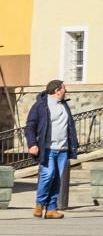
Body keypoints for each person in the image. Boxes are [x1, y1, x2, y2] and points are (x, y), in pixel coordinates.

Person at [23, 79, 75, 220]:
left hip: (63, 149)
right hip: (47, 148)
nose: (66, 90)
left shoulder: (64, 105)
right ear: (57, 90)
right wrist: (32, 144)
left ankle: (52, 209)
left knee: (57, 179)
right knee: (48, 175)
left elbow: (68, 126)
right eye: (64, 88)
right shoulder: (40, 105)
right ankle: (40, 204)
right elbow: (30, 126)